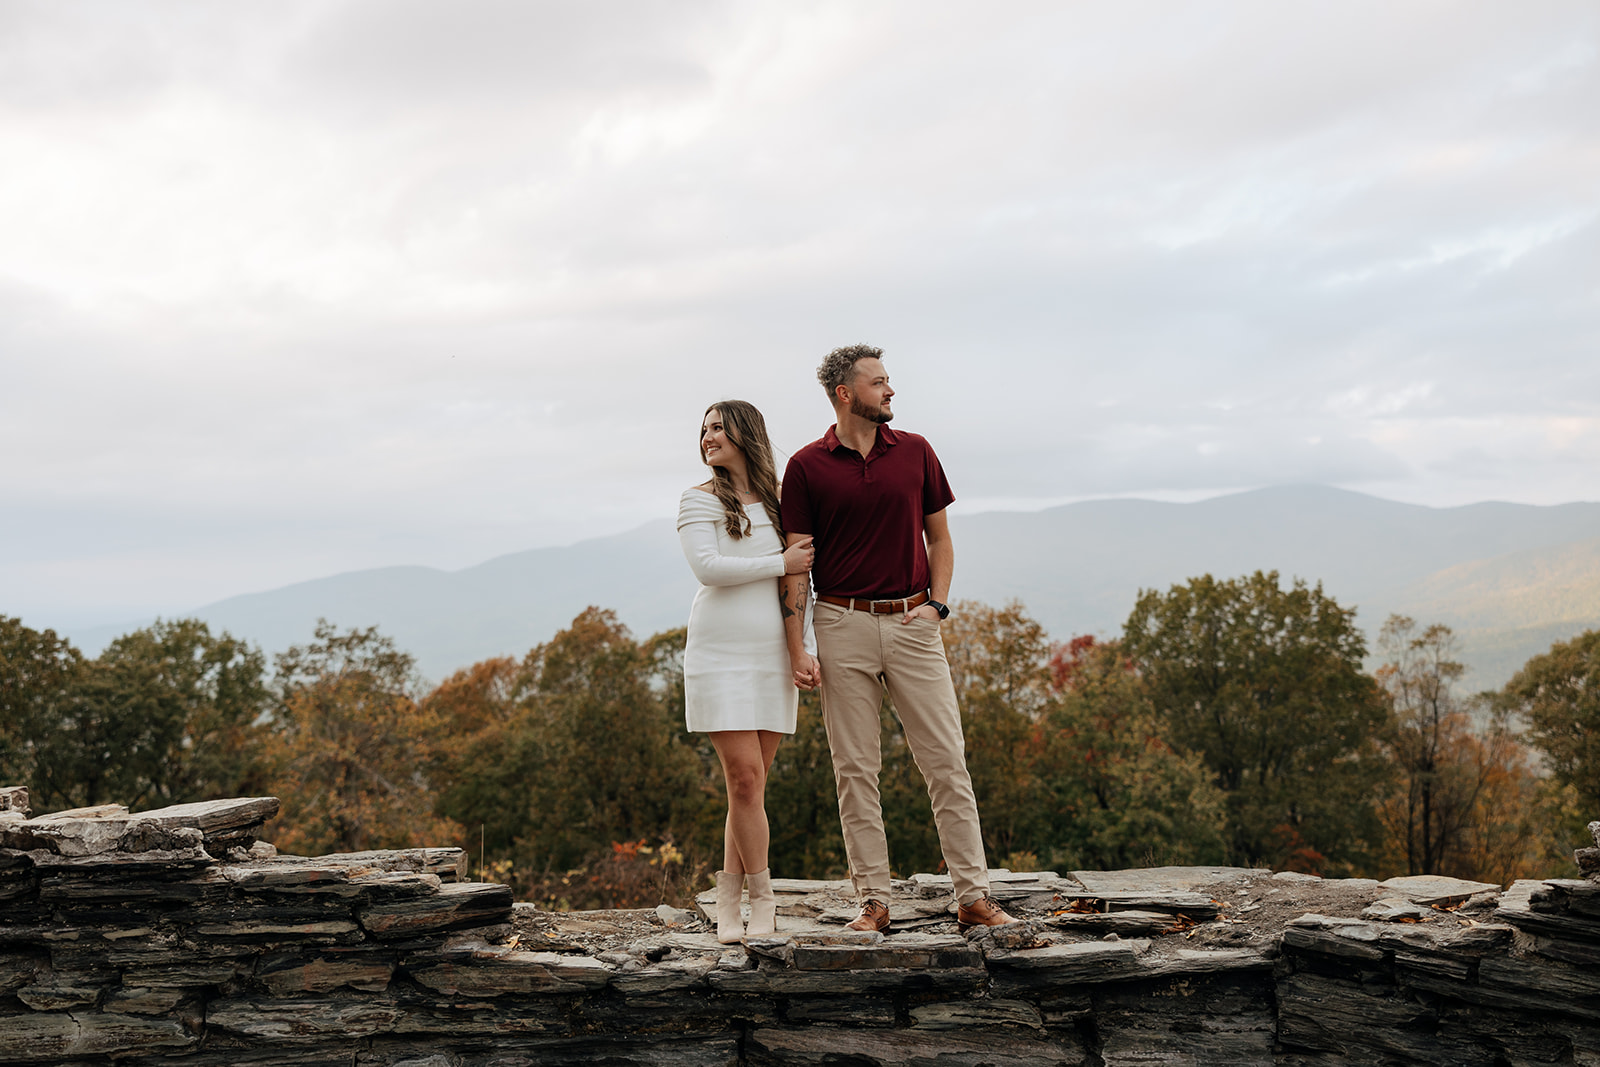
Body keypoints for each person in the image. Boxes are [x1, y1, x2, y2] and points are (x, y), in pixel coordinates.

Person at [778, 345, 1018, 933]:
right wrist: (796, 646)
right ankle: (874, 903)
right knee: (855, 769)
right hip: (840, 623)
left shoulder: (915, 452)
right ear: (845, 393)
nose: (890, 391)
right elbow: (796, 567)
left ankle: (974, 897)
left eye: (888, 381)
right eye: (879, 382)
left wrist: (937, 605)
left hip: (914, 624)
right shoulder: (807, 467)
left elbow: (939, 539)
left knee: (946, 763)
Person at [677, 400, 815, 943]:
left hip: (773, 656)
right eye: (704, 429)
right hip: (718, 653)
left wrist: (805, 649)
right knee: (744, 778)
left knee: (751, 790)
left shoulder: (784, 505)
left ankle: (729, 893)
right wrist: (780, 561)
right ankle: (762, 898)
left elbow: (802, 585)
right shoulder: (697, 501)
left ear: (745, 434)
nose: (708, 436)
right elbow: (708, 569)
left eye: (718, 428)